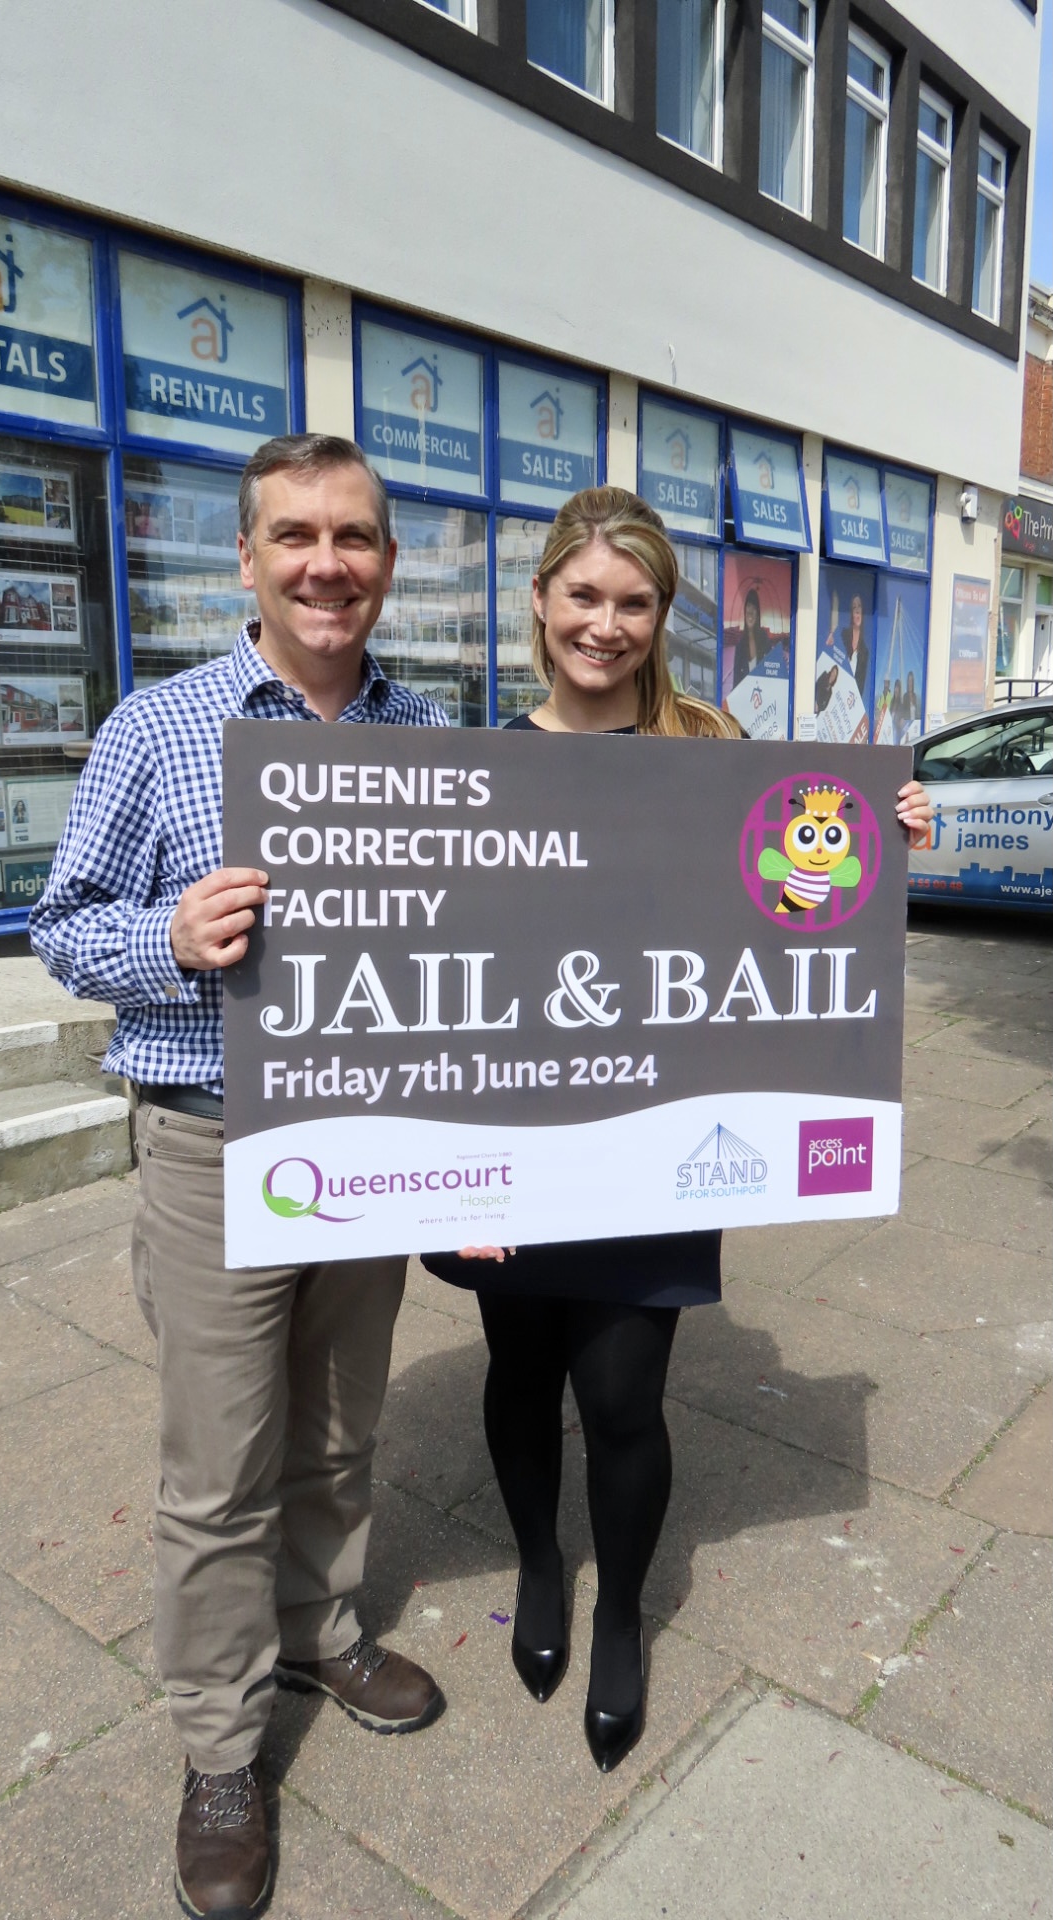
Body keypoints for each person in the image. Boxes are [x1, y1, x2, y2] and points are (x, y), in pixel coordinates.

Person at [421, 487, 932, 1778]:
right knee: (521, 1371)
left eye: (633, 602)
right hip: (514, 1140)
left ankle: (623, 1616)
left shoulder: (719, 762)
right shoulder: (471, 770)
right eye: (583, 596)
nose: (605, 624)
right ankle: (542, 1567)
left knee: (623, 1391)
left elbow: (794, 933)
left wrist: (885, 855)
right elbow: (430, 965)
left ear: (660, 618)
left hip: (651, 1140)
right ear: (539, 602)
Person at [30, 435, 448, 1920]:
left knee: (340, 1425)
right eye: (296, 537)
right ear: (249, 561)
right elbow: (61, 923)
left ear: (389, 562)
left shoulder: (430, 733)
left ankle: (321, 1627)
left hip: (373, 1137)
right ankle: (219, 1746)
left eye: (354, 536)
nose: (327, 562)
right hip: (214, 1135)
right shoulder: (162, 725)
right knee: (216, 1468)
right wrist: (173, 940)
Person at [731, 585, 767, 688]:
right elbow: (736, 683)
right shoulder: (740, 646)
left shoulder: (764, 640)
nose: (750, 611)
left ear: (758, 613)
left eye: (754, 608)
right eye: (748, 606)